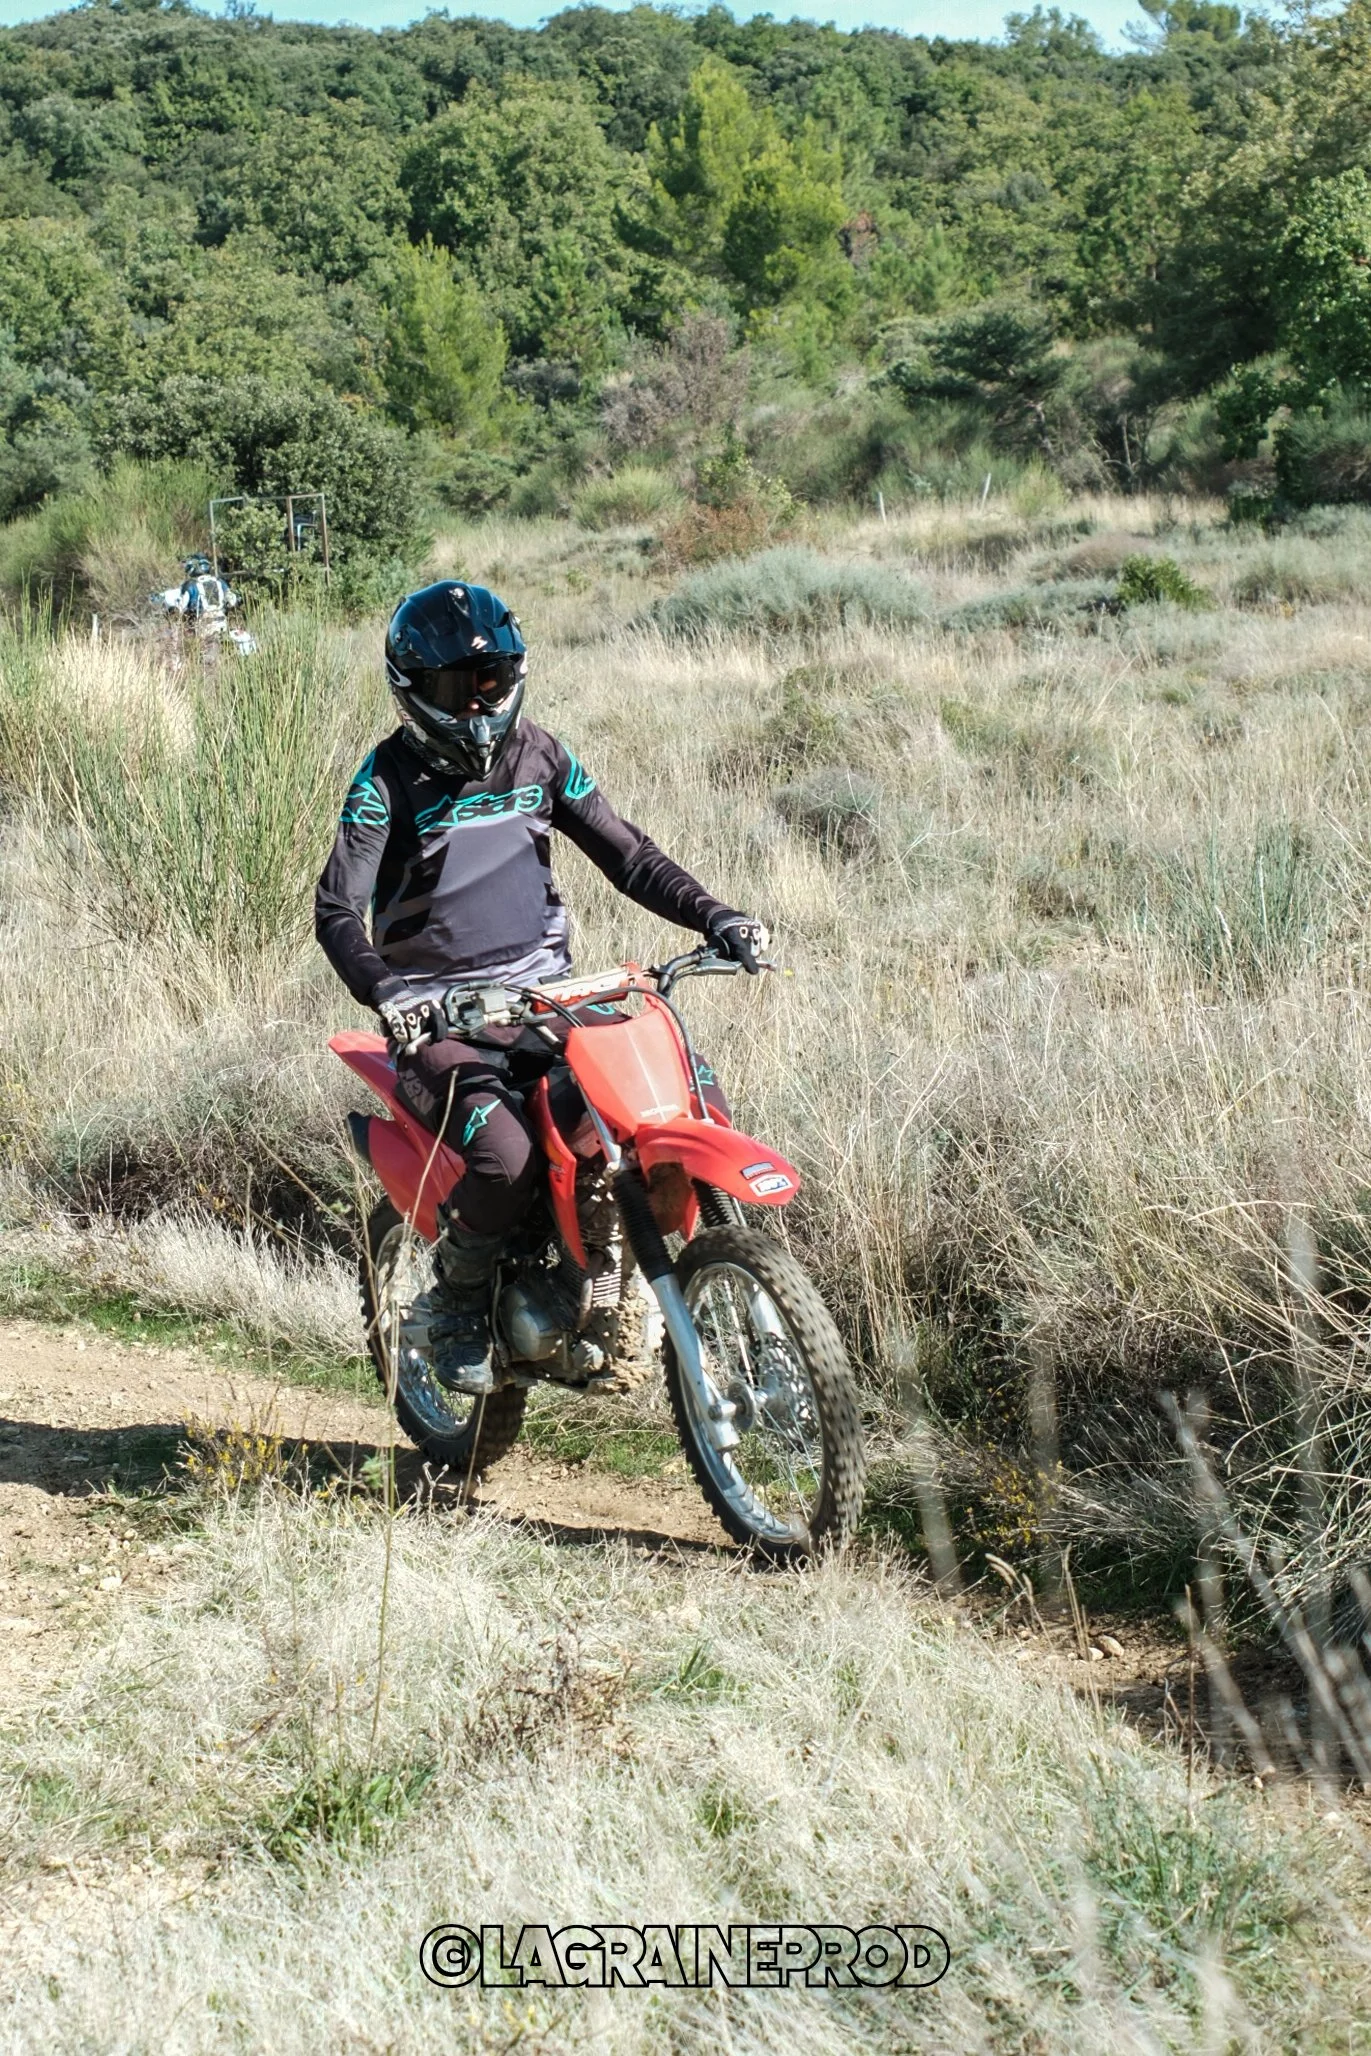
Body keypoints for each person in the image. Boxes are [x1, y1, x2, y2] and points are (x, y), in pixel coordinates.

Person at [315, 579, 768, 1395]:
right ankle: (453, 1307)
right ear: (414, 689)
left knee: (675, 1091)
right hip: (438, 1018)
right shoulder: (384, 781)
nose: (482, 705)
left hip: (550, 998)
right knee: (505, 1155)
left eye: (494, 681)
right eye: (461, 687)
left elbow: (629, 856)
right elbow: (337, 906)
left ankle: (631, 1269)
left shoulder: (542, 755)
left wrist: (715, 917)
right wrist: (388, 992)